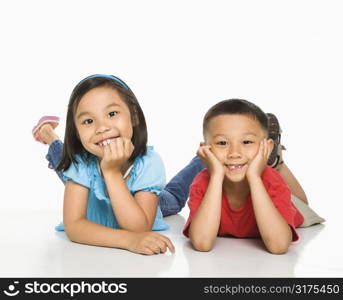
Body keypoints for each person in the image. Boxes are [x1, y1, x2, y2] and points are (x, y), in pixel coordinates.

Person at [33, 74, 175, 255]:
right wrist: (128, 241)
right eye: (88, 121)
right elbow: (74, 226)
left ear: (134, 116)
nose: (102, 127)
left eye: (112, 114)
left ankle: (199, 160)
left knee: (173, 199)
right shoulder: (80, 163)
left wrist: (112, 173)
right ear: (76, 132)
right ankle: (47, 132)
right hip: (87, 172)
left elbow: (139, 229)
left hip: (152, 202)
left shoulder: (150, 162)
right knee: (62, 159)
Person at [182, 99, 305, 254]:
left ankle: (276, 161)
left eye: (247, 141)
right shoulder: (203, 182)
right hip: (238, 171)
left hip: (291, 207)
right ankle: (267, 158)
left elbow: (278, 246)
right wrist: (216, 176)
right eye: (222, 143)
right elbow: (202, 242)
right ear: (206, 149)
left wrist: (254, 177)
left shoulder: (272, 181)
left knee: (302, 204)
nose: (234, 153)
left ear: (266, 146)